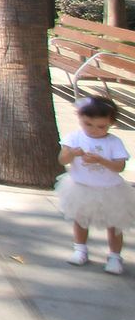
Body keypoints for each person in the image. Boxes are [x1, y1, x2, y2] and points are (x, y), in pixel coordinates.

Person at [58, 96, 135, 274]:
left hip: (110, 190)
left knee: (114, 223)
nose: (94, 131)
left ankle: (115, 256)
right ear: (80, 119)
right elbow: (62, 159)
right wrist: (72, 153)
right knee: (80, 219)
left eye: (101, 127)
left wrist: (101, 160)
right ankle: (80, 249)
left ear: (111, 123)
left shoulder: (113, 142)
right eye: (88, 124)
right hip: (81, 187)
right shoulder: (74, 137)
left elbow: (119, 167)